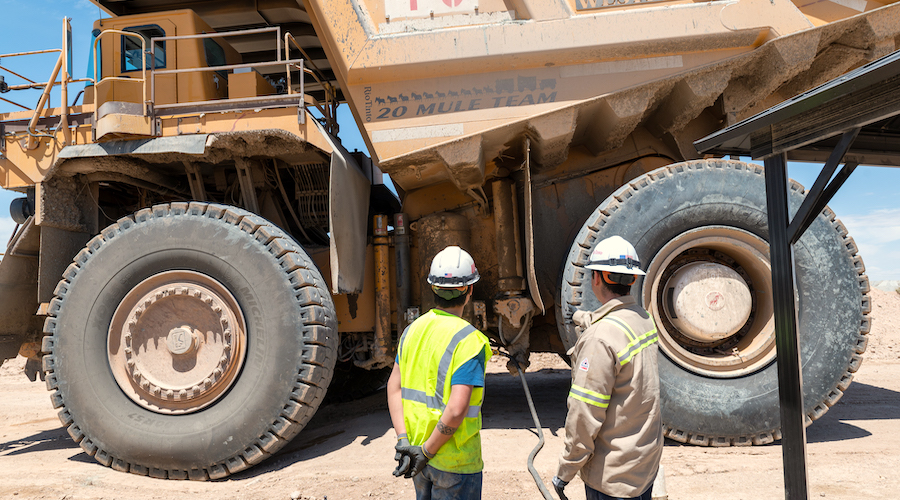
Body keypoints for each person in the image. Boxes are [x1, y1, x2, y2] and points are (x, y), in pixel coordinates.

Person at [552, 235, 662, 500]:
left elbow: (584, 414)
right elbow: (614, 322)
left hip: (612, 478)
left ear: (597, 278)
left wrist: (565, 472)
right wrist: (581, 317)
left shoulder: (599, 339)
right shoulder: (643, 320)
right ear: (633, 279)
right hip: (642, 467)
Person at [388, 245, 492, 500]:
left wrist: (404, 440)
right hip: (454, 462)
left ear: (433, 288)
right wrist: (428, 452)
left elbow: (394, 387)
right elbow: (456, 410)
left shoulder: (412, 330)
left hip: (417, 455)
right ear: (469, 291)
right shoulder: (470, 340)